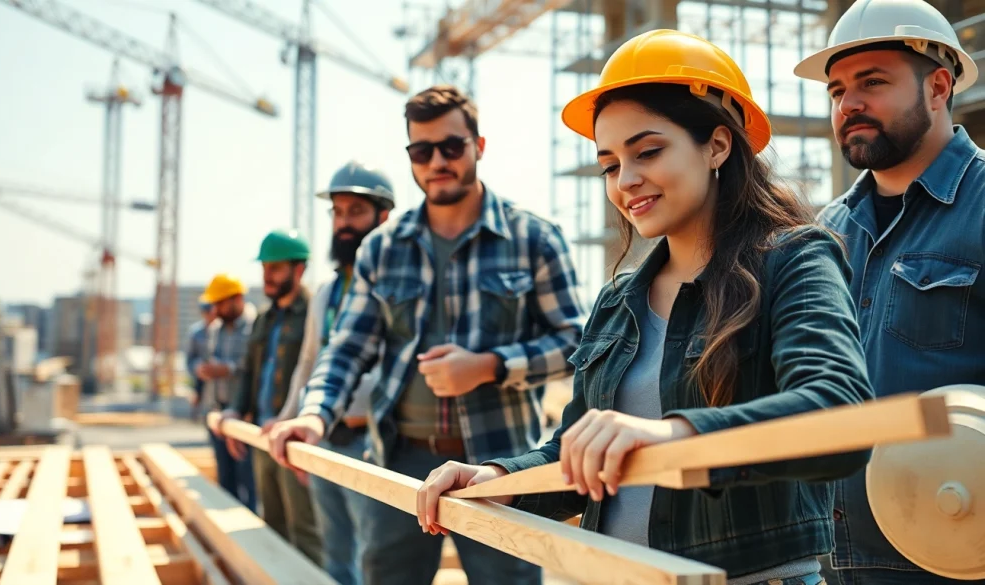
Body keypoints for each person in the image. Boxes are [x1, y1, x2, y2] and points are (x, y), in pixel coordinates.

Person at [415, 30, 876, 585]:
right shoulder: (618, 301)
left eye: (648, 151)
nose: (626, 181)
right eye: (610, 164)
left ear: (717, 146)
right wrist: (498, 478)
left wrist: (672, 436)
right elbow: (574, 457)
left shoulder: (792, 260)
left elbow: (839, 414)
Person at [269, 84, 588, 585]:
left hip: (498, 463)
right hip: (400, 461)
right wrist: (313, 414)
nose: (437, 161)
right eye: (422, 151)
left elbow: (576, 344)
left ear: (479, 146)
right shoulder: (383, 248)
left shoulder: (534, 239)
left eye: (451, 147)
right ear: (411, 157)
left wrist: (489, 366)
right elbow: (347, 348)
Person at [794, 1, 985, 584]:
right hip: (831, 564)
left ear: (938, 87)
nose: (848, 104)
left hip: (954, 559)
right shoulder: (826, 233)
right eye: (837, 90)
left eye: (872, 83)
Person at [275, 161, 395, 585]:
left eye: (356, 212)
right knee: (337, 555)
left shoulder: (396, 285)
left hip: (373, 445)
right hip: (326, 439)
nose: (344, 223)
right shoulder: (326, 291)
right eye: (338, 212)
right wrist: (291, 418)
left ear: (384, 217)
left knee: (374, 559)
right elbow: (309, 362)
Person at [208, 230, 323, 566]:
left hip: (294, 439)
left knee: (305, 531)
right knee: (272, 525)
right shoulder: (264, 317)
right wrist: (235, 411)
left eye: (275, 268)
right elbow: (249, 371)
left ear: (298, 270)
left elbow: (315, 371)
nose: (267, 276)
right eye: (264, 268)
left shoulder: (313, 313)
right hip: (263, 434)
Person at [195, 274, 257, 512]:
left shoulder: (254, 327)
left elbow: (253, 369)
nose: (216, 309)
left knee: (248, 480)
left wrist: (227, 369)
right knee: (225, 478)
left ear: (237, 299)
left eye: (220, 303)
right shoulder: (216, 328)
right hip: (219, 412)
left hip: (244, 415)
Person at [185, 301, 215, 419]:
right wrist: (198, 368)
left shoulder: (223, 329)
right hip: (201, 377)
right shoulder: (196, 332)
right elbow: (189, 359)